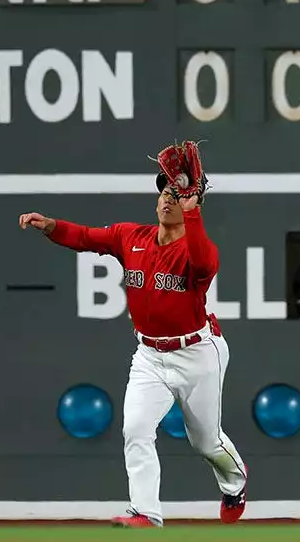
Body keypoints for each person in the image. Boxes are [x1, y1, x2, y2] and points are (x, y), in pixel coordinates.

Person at [17, 174, 248, 528]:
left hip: (197, 353)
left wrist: (192, 214)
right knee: (136, 429)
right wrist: (51, 226)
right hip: (149, 356)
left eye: (177, 194)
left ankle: (235, 483)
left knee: (206, 441)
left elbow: (204, 263)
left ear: (193, 204)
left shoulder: (197, 248)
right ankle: (145, 511)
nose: (167, 199)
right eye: (164, 193)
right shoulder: (131, 236)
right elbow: (85, 237)